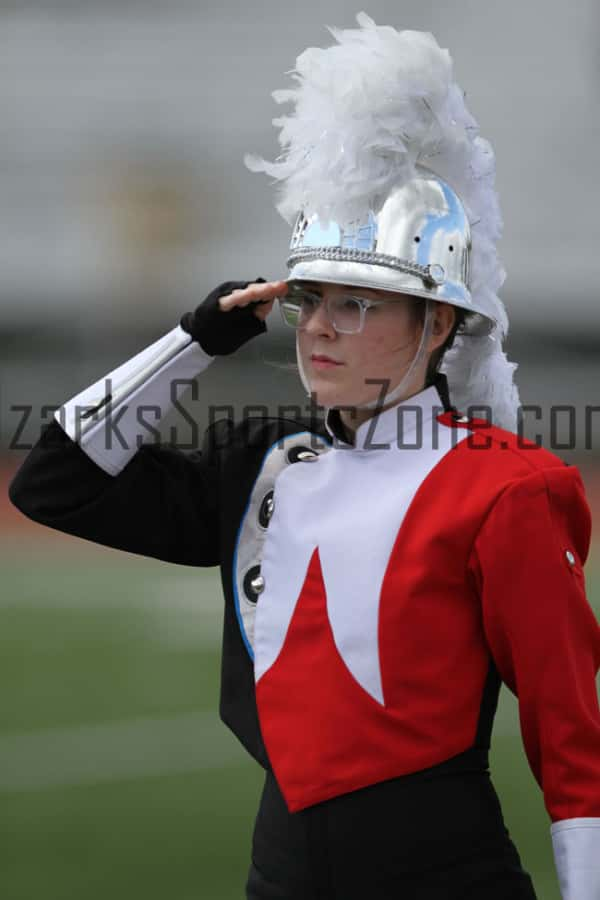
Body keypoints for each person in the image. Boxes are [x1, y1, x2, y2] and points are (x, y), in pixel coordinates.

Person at [9, 15, 600, 900]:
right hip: (276, 877)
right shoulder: (259, 465)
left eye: (360, 305)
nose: (320, 326)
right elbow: (54, 481)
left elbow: (572, 735)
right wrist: (193, 340)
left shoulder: (507, 486)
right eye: (312, 299)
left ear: (437, 324)